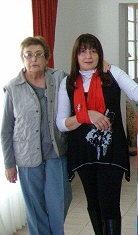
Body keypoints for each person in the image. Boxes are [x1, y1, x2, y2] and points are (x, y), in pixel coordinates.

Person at [56, 33, 138, 235]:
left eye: (93, 51)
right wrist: (87, 115)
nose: (88, 56)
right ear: (76, 56)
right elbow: (61, 123)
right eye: (83, 51)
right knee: (93, 204)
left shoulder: (112, 74)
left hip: (112, 153)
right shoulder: (67, 83)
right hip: (84, 154)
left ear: (100, 54)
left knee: (109, 204)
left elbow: (137, 92)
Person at [1, 36, 72, 235]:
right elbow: (6, 129)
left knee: (61, 200)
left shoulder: (59, 78)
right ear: (22, 59)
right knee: (34, 205)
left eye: (38, 54)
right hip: (25, 156)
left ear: (46, 58)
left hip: (56, 152)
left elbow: (81, 81)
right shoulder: (13, 88)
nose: (34, 59)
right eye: (28, 55)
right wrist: (9, 164)